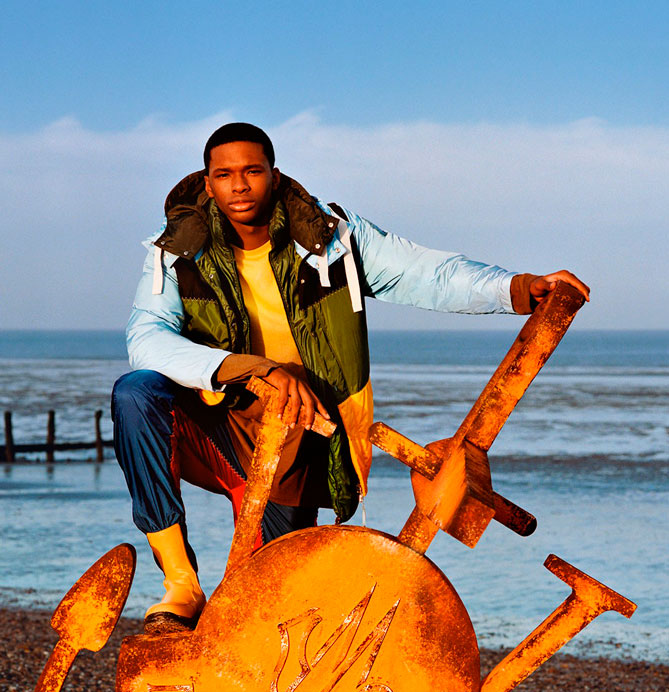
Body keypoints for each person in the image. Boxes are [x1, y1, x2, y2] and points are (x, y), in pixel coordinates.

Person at [112, 122, 589, 635]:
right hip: (218, 426)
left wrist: (516, 288)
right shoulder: (176, 251)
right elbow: (146, 338)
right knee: (136, 394)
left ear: (274, 175)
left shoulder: (332, 237)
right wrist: (255, 368)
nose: (239, 185)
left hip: (302, 432)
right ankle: (181, 585)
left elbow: (426, 274)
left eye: (253, 171)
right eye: (224, 175)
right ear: (208, 184)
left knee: (262, 606)